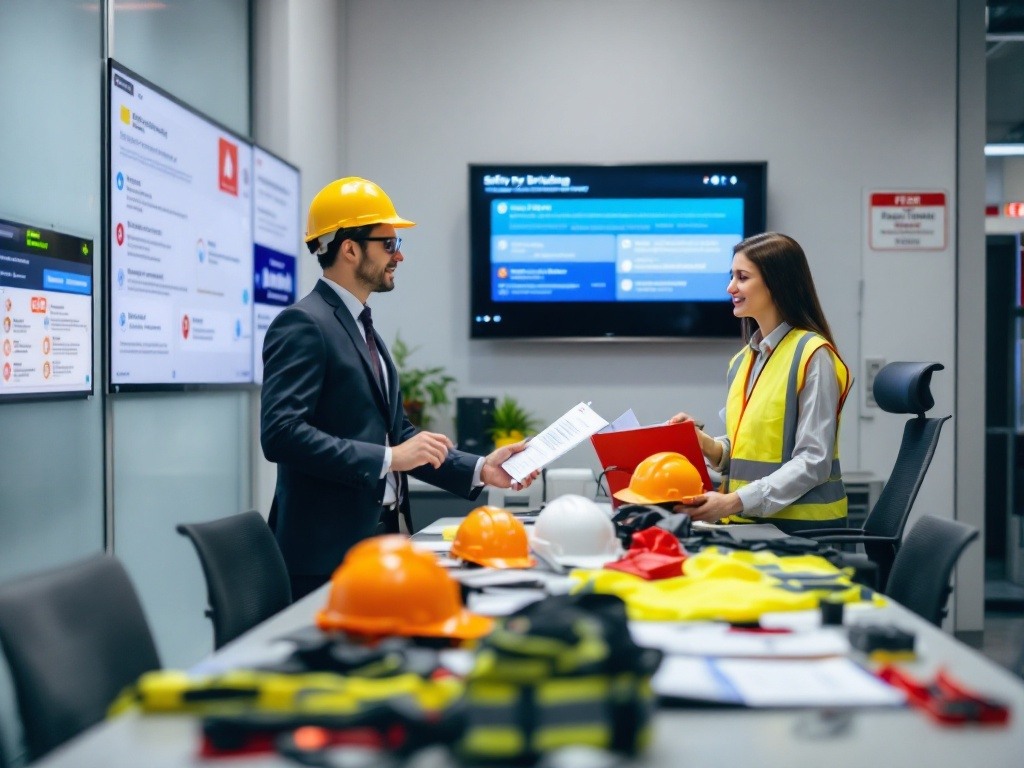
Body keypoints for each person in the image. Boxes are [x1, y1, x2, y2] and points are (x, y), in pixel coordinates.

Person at [261, 176, 537, 598]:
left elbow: (400, 436)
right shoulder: (304, 323)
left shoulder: (358, 325)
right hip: (325, 560)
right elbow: (281, 435)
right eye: (388, 244)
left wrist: (482, 468)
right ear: (350, 248)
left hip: (379, 542)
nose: (400, 255)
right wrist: (390, 457)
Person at [670, 232, 851, 535]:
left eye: (742, 277)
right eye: (732, 276)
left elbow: (813, 461)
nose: (731, 287)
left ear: (776, 283)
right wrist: (704, 444)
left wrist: (731, 502)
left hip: (802, 534)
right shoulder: (743, 360)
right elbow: (745, 452)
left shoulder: (813, 355)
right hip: (752, 526)